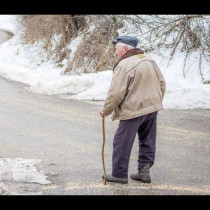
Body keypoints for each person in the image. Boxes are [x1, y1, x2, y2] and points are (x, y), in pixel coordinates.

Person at [100, 35, 166, 184]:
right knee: (147, 140)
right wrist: (155, 101)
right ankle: (144, 172)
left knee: (121, 142)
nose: (115, 52)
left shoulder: (124, 65)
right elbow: (162, 83)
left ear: (124, 49)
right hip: (152, 107)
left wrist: (106, 110)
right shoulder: (149, 60)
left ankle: (119, 174)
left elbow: (116, 93)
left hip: (133, 110)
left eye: (116, 49)